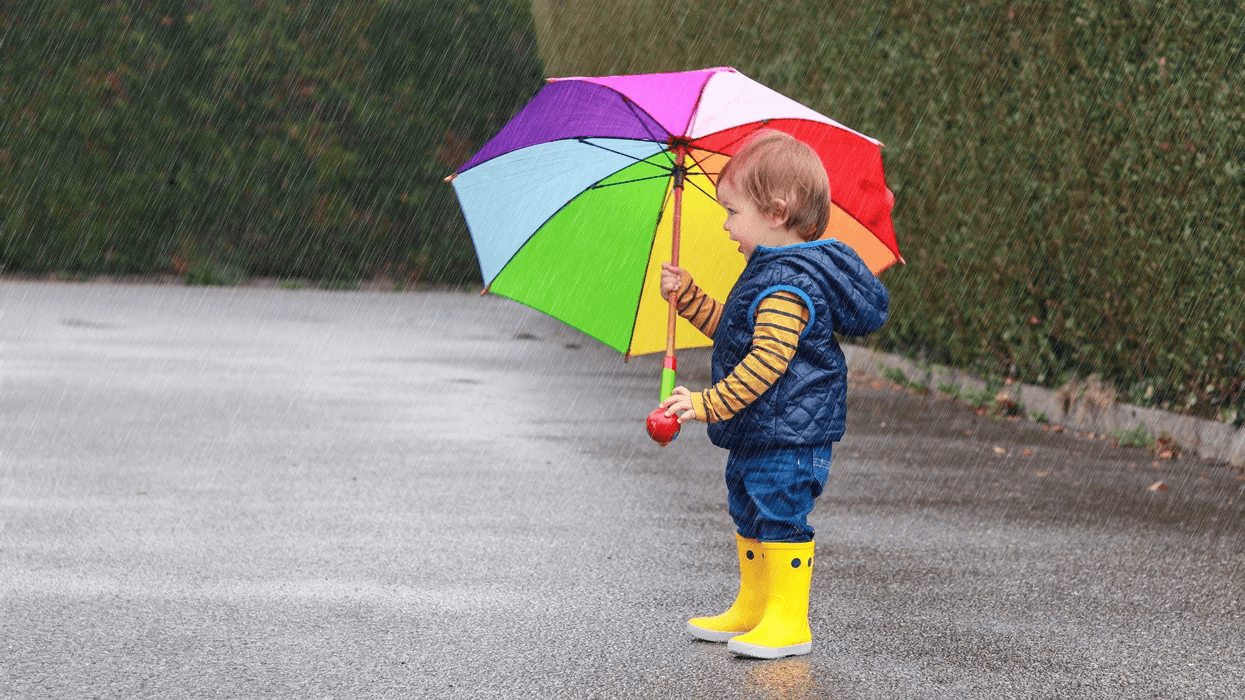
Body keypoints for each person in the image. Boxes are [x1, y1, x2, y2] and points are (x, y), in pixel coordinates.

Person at [658, 130, 889, 659]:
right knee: (749, 508)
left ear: (776, 212)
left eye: (732, 211)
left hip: (791, 433)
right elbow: (739, 336)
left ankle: (788, 622)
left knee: (780, 513)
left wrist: (704, 403)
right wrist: (689, 298)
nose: (724, 223)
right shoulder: (766, 273)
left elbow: (765, 364)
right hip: (764, 429)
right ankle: (755, 604)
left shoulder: (787, 285)